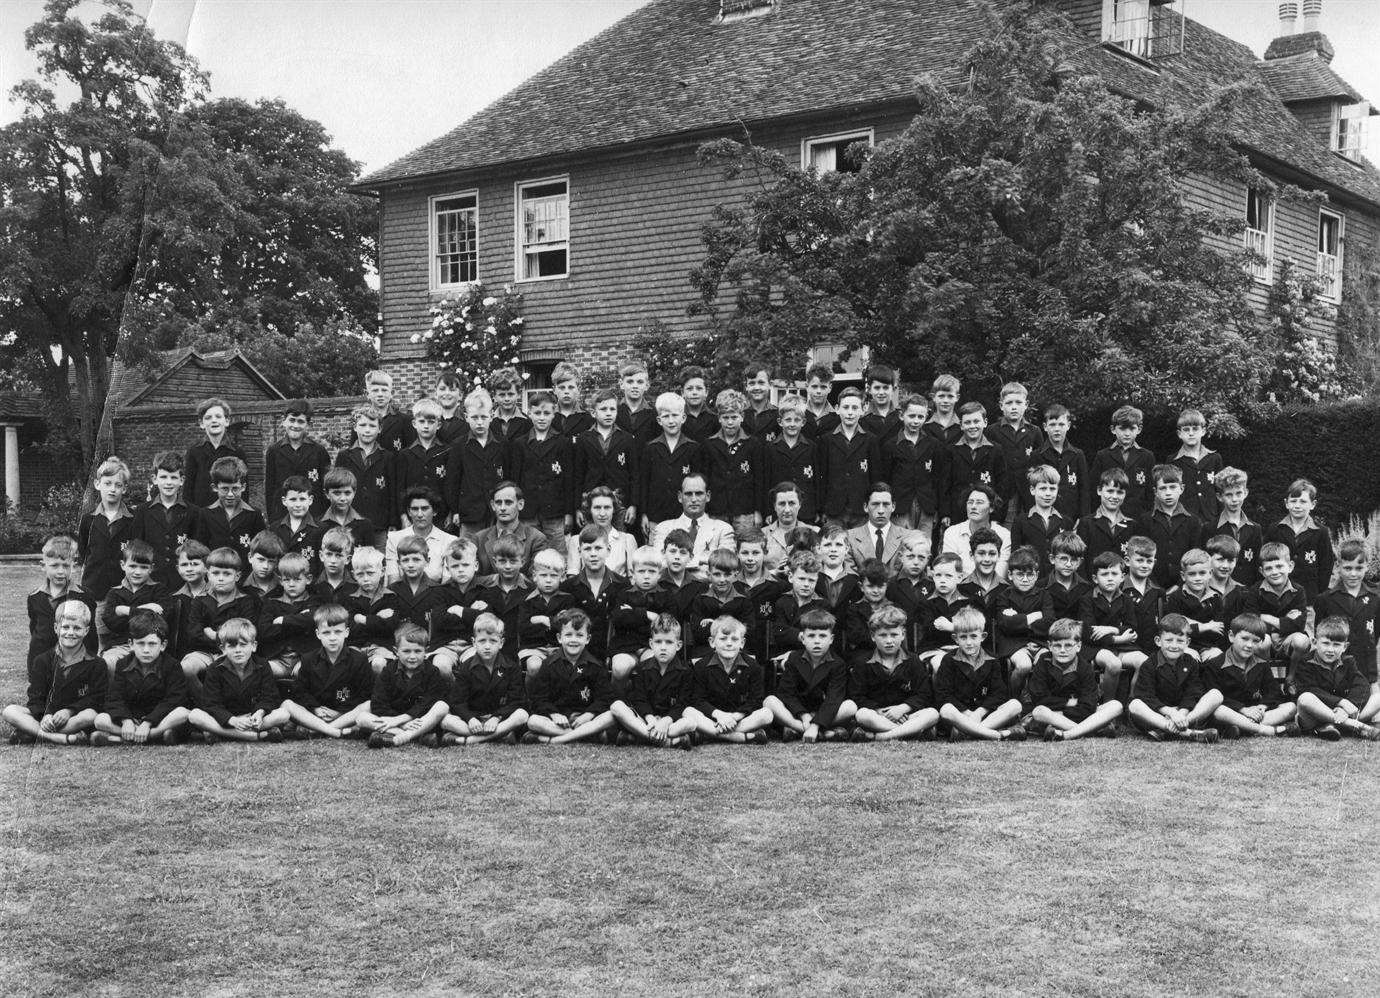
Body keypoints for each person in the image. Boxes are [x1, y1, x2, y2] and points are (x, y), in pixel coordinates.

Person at [4, 599, 105, 745]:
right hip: (46, 717)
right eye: (65, 627)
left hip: (74, 718)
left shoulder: (96, 663)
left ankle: (33, 733)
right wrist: (46, 715)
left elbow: (96, 699)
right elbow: (36, 698)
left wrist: (69, 711)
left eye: (77, 628)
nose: (70, 633)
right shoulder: (42, 660)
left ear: (86, 631)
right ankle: (57, 738)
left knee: (90, 715)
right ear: (56, 628)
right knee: (10, 711)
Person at [186, 618, 291, 743]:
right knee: (195, 715)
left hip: (251, 717)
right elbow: (211, 704)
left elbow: (270, 696)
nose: (238, 650)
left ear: (254, 646)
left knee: (283, 714)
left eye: (243, 644)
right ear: (223, 648)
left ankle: (222, 734)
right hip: (226, 719)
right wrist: (232, 720)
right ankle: (251, 736)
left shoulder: (263, 665)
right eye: (232, 645)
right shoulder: (214, 669)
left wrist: (260, 713)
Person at [92, 611, 190, 746]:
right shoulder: (122, 664)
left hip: (159, 720)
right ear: (131, 644)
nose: (145, 650)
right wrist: (126, 721)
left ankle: (134, 737)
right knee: (100, 719)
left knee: (183, 713)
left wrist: (148, 722)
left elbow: (174, 699)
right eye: (140, 643)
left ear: (163, 645)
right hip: (132, 719)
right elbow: (114, 698)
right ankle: (149, 737)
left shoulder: (172, 666)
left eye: (152, 644)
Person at [280, 603, 374, 739]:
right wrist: (315, 708)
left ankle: (322, 730)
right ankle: (334, 730)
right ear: (318, 634)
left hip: (345, 714)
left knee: (368, 705)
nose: (332, 638)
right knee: (287, 704)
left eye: (338, 632)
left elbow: (365, 693)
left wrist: (340, 713)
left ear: (346, 632)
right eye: (326, 632)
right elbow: (301, 691)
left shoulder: (358, 659)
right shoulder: (308, 659)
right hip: (316, 714)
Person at [933, 607, 1026, 742]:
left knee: (1015, 705)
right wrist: (967, 713)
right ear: (955, 639)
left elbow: (999, 693)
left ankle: (967, 733)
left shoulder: (992, 660)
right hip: (959, 716)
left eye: (973, 636)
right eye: (963, 637)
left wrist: (979, 712)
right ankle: (997, 735)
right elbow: (943, 694)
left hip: (984, 715)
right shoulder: (949, 660)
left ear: (983, 636)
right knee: (946, 709)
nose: (969, 642)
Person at [1127, 613, 1223, 743]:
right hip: (1158, 713)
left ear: (1187, 643)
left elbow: (1193, 692)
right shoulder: (1149, 664)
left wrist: (1181, 714)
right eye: (1169, 640)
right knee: (1135, 705)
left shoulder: (1191, 662)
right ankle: (1191, 733)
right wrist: (1170, 713)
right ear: (1158, 641)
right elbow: (1146, 696)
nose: (1174, 645)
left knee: (1216, 695)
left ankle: (1167, 730)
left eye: (1180, 641)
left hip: (1183, 712)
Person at [848, 606, 940, 742]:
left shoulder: (913, 660)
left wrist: (903, 708)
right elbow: (856, 695)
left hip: (906, 715)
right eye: (883, 635)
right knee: (862, 715)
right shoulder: (863, 663)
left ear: (903, 634)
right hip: (878, 716)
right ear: (873, 637)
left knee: (933, 714)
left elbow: (924, 694)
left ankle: (883, 736)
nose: (889, 641)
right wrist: (878, 710)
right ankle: (910, 732)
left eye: (894, 635)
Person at [438, 612, 531, 746]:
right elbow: (457, 702)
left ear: (501, 643)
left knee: (522, 715)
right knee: (446, 720)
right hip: (473, 721)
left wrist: (496, 717)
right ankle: (500, 736)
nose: (487, 646)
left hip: (499, 719)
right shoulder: (466, 667)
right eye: (482, 641)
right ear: (474, 642)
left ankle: (467, 740)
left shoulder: (511, 667)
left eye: (493, 641)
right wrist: (470, 719)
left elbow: (516, 700)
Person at [526, 608, 616, 744]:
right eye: (568, 635)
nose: (573, 640)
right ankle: (587, 736)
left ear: (588, 639)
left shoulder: (595, 666)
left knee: (612, 716)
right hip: (557, 720)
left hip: (584, 719)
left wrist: (589, 714)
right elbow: (539, 698)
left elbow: (604, 698)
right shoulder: (549, 664)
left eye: (579, 635)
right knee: (533, 721)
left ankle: (554, 740)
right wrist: (553, 714)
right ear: (559, 638)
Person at [764, 608, 855, 742]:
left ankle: (804, 730)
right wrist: (804, 716)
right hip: (798, 713)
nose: (817, 641)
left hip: (824, 711)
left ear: (831, 639)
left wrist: (815, 723)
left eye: (822, 636)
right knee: (770, 701)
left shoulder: (838, 663)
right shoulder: (794, 659)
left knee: (850, 706)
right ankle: (817, 732)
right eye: (811, 636)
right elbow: (786, 693)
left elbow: (833, 699)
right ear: (802, 638)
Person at [1313, 538, 1380, 718]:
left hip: (1366, 667)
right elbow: (1319, 634)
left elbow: (1375, 635)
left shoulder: (1376, 596)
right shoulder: (1325, 599)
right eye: (1348, 568)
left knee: (1375, 700)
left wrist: (1373, 678)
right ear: (1338, 566)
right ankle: (1344, 717)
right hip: (1336, 667)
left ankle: (1353, 718)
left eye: (1359, 568)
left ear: (1367, 566)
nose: (1353, 574)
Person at [610, 612, 697, 748]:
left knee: (691, 722)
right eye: (658, 642)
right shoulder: (643, 668)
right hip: (647, 720)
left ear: (678, 645)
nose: (663, 647)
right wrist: (650, 718)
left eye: (669, 642)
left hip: (671, 721)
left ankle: (639, 737)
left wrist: (666, 721)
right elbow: (639, 699)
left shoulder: (685, 671)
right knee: (616, 707)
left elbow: (682, 703)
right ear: (651, 643)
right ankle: (668, 742)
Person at [1203, 613, 1297, 738]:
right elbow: (1214, 695)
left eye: (1256, 641)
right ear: (1231, 636)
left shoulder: (1261, 664)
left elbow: (1273, 692)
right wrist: (1243, 710)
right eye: (1245, 638)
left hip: (1255, 713)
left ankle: (1243, 728)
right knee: (1219, 710)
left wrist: (1262, 707)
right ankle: (1263, 729)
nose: (1249, 645)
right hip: (1231, 712)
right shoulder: (1214, 664)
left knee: (1290, 707)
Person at [357, 622, 450, 748]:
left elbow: (428, 702)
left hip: (421, 720)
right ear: (396, 651)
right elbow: (379, 704)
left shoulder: (432, 672)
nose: (412, 656)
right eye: (406, 651)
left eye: (417, 651)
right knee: (361, 718)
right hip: (397, 720)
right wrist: (402, 722)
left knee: (442, 706)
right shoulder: (388, 671)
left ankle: (400, 736)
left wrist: (402, 719)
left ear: (425, 651)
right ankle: (418, 736)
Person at [1028, 618, 1123, 741]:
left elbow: (1089, 705)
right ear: (1050, 646)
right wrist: (1069, 702)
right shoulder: (1043, 662)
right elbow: (1039, 698)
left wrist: (1064, 710)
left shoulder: (1084, 666)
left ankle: (1067, 734)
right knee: (1039, 711)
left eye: (1068, 645)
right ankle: (1090, 730)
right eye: (1057, 645)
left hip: (1074, 714)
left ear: (1078, 646)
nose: (1062, 650)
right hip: (1053, 714)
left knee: (1116, 706)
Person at [180, 547, 260, 692]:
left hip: (233, 651)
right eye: (216, 573)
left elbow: (246, 633)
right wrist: (221, 638)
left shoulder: (245, 601)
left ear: (237, 576)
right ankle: (204, 701)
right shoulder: (200, 600)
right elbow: (193, 633)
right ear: (208, 574)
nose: (221, 578)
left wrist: (213, 634)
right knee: (186, 668)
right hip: (204, 652)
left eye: (227, 574)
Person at [682, 616, 773, 744]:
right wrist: (720, 715)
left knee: (767, 714)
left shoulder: (753, 666)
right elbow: (698, 700)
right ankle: (742, 737)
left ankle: (708, 735)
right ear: (712, 642)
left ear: (742, 643)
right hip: (713, 717)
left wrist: (735, 717)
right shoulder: (701, 666)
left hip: (739, 719)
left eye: (734, 639)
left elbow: (756, 700)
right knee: (688, 712)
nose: (729, 643)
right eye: (723, 638)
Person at [508, 390, 576, 550]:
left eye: (546, 413)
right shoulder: (520, 444)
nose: (542, 417)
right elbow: (515, 481)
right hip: (528, 512)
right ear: (529, 414)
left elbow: (569, 480)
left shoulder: (562, 442)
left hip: (554, 512)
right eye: (537, 413)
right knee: (527, 551)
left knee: (557, 553)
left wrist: (568, 512)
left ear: (554, 414)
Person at [1294, 616, 1380, 741]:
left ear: (1345, 647)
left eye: (1336, 645)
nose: (1330, 650)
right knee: (1305, 698)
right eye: (1326, 643)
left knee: (1377, 697)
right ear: (1314, 642)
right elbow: (1309, 689)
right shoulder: (1306, 662)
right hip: (1316, 716)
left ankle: (1333, 726)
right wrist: (1340, 702)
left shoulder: (1348, 661)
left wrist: (1346, 706)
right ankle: (1356, 726)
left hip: (1342, 712)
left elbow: (1362, 685)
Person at [1078, 552, 1146, 703]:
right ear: (1095, 578)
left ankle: (1131, 704)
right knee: (1114, 664)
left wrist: (1112, 629)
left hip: (1121, 646)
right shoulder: (1087, 599)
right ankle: (1108, 703)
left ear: (1122, 577)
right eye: (1104, 574)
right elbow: (1090, 633)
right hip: (1094, 648)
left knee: (1144, 662)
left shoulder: (1126, 599)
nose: (1110, 578)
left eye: (1114, 573)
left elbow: (1132, 627)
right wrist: (1118, 639)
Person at [636, 391, 703, 538]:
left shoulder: (693, 448)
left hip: (685, 515)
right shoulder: (650, 448)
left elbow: (699, 485)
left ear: (683, 418)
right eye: (666, 416)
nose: (671, 421)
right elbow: (643, 483)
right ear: (659, 420)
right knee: (657, 555)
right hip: (656, 515)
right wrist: (644, 514)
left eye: (675, 415)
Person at [445, 387, 508, 537]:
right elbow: (452, 481)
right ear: (466, 417)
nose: (479, 422)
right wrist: (455, 510)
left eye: (483, 417)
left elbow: (508, 477)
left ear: (491, 416)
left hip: (497, 511)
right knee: (469, 551)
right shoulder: (459, 445)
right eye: (474, 418)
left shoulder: (502, 443)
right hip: (469, 512)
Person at [702, 388, 766, 537]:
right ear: (719, 418)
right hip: (716, 511)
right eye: (725, 417)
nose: (730, 422)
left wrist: (758, 511)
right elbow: (705, 479)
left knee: (745, 546)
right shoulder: (709, 444)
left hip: (745, 512)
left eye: (734, 417)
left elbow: (759, 480)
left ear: (742, 417)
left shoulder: (753, 444)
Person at [648, 474, 735, 580]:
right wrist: (703, 559)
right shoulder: (663, 528)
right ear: (680, 497)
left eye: (699, 493)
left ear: (708, 496)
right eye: (688, 494)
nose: (694, 499)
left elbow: (725, 565)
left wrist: (679, 564)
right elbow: (659, 565)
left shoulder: (723, 529)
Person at [27, 535, 98, 665]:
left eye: (65, 566)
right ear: (43, 566)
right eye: (54, 566)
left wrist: (90, 663)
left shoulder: (85, 596)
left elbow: (91, 634)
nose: (60, 571)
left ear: (74, 566)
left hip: (74, 662)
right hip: (40, 662)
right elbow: (34, 629)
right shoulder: (34, 597)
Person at [1133, 465, 1205, 590]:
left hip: (1184, 585)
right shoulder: (1146, 521)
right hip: (1152, 585)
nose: (1168, 493)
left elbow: (1195, 557)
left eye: (1172, 487)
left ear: (1181, 488)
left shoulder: (1193, 521)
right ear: (1155, 492)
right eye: (1163, 488)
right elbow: (1141, 555)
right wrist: (1153, 585)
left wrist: (1180, 585)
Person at [132, 450, 197, 590]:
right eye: (163, 477)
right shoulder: (142, 512)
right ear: (154, 479)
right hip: (151, 583)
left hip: (183, 584)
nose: (168, 482)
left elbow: (197, 551)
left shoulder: (194, 512)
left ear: (182, 480)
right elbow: (137, 548)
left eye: (173, 478)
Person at [882, 393, 943, 539]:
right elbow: (885, 479)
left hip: (926, 506)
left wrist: (937, 508)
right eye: (912, 416)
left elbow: (938, 479)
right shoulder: (890, 445)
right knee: (900, 545)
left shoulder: (933, 445)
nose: (916, 421)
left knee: (923, 545)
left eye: (920, 417)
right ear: (902, 415)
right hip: (900, 506)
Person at [819, 387, 881, 531]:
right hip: (834, 509)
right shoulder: (826, 440)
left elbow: (875, 477)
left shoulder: (871, 440)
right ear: (837, 409)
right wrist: (822, 508)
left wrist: (873, 505)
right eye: (846, 407)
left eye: (855, 407)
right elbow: (822, 477)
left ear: (863, 410)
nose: (850, 412)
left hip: (861, 509)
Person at [574, 388, 638, 527]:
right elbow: (578, 475)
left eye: (612, 409)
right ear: (593, 412)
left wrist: (633, 505)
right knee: (592, 540)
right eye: (603, 409)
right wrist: (577, 508)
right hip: (590, 502)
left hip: (619, 501)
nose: (608, 413)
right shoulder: (583, 439)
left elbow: (634, 474)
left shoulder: (627, 439)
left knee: (618, 540)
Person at [608, 546, 672, 683]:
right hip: (624, 645)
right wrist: (647, 615)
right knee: (620, 668)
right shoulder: (623, 593)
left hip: (652, 645)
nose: (646, 576)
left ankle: (644, 701)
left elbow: (666, 624)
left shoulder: (666, 596)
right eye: (641, 571)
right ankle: (615, 700)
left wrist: (632, 613)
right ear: (633, 572)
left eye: (652, 571)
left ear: (660, 574)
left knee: (655, 666)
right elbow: (618, 619)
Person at [99, 539, 168, 667]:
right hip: (121, 645)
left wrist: (124, 610)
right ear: (122, 565)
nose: (137, 572)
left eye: (143, 567)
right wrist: (145, 609)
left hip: (150, 645)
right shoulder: (114, 593)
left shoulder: (158, 590)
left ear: (151, 568)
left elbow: (159, 621)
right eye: (132, 566)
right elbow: (112, 623)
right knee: (109, 662)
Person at [335, 403, 395, 548]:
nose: (367, 430)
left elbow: (393, 491)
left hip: (379, 523)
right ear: (355, 427)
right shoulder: (344, 456)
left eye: (372, 426)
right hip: (349, 523)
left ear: (380, 429)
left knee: (378, 564)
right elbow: (336, 488)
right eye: (362, 425)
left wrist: (393, 522)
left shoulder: (388, 457)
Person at [1261, 478, 1333, 599]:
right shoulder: (1275, 529)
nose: (1297, 506)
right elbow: (1264, 559)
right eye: (1293, 501)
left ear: (1313, 504)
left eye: (1303, 501)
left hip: (1309, 595)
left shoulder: (1321, 532)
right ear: (1286, 503)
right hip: (1278, 594)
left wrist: (1320, 595)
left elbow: (1326, 565)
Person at [989, 546, 1046, 696]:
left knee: (1046, 662)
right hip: (1013, 643)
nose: (1025, 579)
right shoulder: (1004, 596)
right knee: (1024, 665)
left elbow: (1049, 624)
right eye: (1020, 574)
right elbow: (1005, 624)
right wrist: (1032, 617)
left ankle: (1037, 702)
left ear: (1037, 575)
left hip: (1040, 642)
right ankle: (1012, 699)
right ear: (1010, 575)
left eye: (1030, 575)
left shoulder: (1044, 595)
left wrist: (1018, 620)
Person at [257, 552, 319, 687]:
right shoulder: (271, 603)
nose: (291, 584)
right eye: (287, 580)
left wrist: (283, 620)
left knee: (307, 671)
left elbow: (314, 619)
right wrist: (299, 623)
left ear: (308, 579)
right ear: (280, 580)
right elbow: (264, 631)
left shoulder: (314, 601)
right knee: (260, 671)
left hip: (304, 658)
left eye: (297, 579)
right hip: (278, 659)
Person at [78, 456, 135, 602]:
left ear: (125, 488)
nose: (112, 489)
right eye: (108, 484)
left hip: (125, 592)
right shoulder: (88, 520)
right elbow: (84, 553)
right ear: (97, 484)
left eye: (118, 485)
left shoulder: (133, 520)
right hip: (94, 591)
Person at [192, 456, 266, 567]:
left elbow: (260, 549)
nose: (230, 494)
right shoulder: (205, 514)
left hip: (244, 575)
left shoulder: (254, 514)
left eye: (235, 488)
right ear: (215, 487)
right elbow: (201, 549)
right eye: (225, 489)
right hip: (216, 575)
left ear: (243, 487)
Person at [264, 399, 331, 516]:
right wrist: (272, 519)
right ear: (284, 421)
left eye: (300, 421)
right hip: (283, 514)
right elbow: (270, 489)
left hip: (313, 514)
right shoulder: (274, 451)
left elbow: (325, 488)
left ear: (308, 425)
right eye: (292, 420)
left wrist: (323, 518)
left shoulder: (319, 451)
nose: (295, 425)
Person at [944, 401, 1008, 524]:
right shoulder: (951, 450)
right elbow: (945, 484)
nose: (972, 426)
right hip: (958, 513)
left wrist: (997, 516)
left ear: (985, 423)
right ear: (961, 425)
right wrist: (945, 513)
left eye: (976, 421)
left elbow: (1002, 486)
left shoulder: (996, 450)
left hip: (987, 515)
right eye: (967, 422)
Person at [988, 382, 1043, 521]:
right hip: (1003, 490)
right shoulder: (992, 431)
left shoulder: (1034, 432)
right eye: (1009, 403)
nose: (1014, 407)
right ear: (1001, 405)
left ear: (1026, 404)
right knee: (1004, 527)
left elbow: (1040, 465)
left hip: (1027, 490)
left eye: (1018, 402)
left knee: (1029, 525)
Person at [516, 548, 576, 678]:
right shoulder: (527, 601)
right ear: (535, 576)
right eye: (543, 575)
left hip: (559, 647)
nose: (548, 580)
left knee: (562, 666)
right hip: (533, 648)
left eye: (553, 575)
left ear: (562, 577)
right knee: (534, 666)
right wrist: (555, 621)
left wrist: (542, 620)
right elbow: (523, 629)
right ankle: (532, 697)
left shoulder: (568, 599)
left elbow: (568, 627)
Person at [1090, 405, 1155, 519]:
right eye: (1122, 428)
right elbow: (1093, 490)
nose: (1127, 433)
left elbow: (1150, 493)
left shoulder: (1147, 456)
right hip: (1108, 517)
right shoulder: (1103, 456)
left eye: (1131, 429)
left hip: (1138, 518)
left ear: (1139, 429)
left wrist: (1147, 517)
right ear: (1113, 429)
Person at [396, 397, 452, 526]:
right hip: (413, 515)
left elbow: (451, 485)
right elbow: (400, 488)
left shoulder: (447, 451)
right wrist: (403, 515)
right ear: (414, 424)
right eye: (422, 421)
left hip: (440, 515)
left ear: (438, 425)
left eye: (431, 422)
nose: (426, 426)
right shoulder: (405, 454)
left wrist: (450, 512)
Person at [473, 482, 549, 574]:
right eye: (498, 502)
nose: (502, 508)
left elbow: (535, 578)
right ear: (493, 505)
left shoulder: (536, 539)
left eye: (508, 502)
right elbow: (474, 579)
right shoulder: (479, 539)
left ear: (520, 504)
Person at [385, 486, 457, 583]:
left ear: (434, 511)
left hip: (437, 595)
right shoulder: (394, 539)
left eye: (424, 508)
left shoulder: (449, 541)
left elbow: (446, 584)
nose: (419, 514)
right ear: (409, 512)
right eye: (415, 509)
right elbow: (393, 581)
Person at [765, 396, 819, 526]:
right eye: (788, 420)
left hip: (806, 510)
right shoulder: (770, 448)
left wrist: (818, 509)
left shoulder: (812, 447)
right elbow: (766, 481)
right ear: (780, 421)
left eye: (797, 420)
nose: (792, 424)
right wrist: (767, 510)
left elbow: (817, 481)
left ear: (803, 422)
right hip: (779, 510)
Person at [184, 397, 247, 508]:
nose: (214, 420)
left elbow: (244, 490)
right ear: (202, 423)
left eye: (218, 416)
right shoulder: (194, 451)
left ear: (227, 421)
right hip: (201, 512)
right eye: (208, 418)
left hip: (228, 512)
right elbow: (188, 488)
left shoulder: (237, 452)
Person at [940, 485, 1011, 579]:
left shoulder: (1004, 535)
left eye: (979, 503)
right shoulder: (952, 532)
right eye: (970, 502)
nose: (973, 507)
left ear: (991, 508)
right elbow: (949, 570)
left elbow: (1000, 573)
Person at [345, 547, 398, 673]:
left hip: (381, 646)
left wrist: (363, 619)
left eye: (370, 573)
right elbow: (351, 629)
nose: (366, 578)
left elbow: (390, 626)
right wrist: (377, 619)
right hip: (356, 646)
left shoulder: (389, 597)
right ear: (353, 575)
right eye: (360, 574)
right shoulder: (350, 599)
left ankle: (379, 693)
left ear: (382, 571)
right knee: (349, 664)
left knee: (378, 664)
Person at [1034, 404, 1090, 521]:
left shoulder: (1077, 455)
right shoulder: (1037, 455)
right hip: (1045, 518)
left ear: (1068, 426)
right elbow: (1032, 489)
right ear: (1045, 427)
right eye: (1052, 425)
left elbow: (1084, 490)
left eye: (1061, 424)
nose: (1057, 429)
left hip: (1072, 518)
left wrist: (1083, 519)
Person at [1010, 465, 1070, 575]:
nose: (1048, 493)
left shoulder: (1065, 521)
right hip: (1031, 579)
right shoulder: (1021, 521)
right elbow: (1015, 555)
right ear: (1032, 490)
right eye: (1043, 488)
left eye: (1052, 489)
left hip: (1057, 580)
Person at [843, 483, 913, 575]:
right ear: (865, 507)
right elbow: (850, 575)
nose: (881, 511)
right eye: (875, 504)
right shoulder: (850, 537)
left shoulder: (907, 537)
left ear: (893, 507)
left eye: (886, 504)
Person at [567, 487, 637, 577]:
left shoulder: (627, 540)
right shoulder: (576, 540)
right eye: (597, 508)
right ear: (590, 510)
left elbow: (633, 579)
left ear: (614, 509)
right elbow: (572, 580)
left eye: (607, 507)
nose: (602, 513)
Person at [1169, 409, 1223, 523]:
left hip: (1211, 518)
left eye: (1195, 429)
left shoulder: (1214, 458)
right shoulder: (1173, 461)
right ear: (1179, 434)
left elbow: (1220, 489)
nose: (1191, 433)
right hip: (1184, 518)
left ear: (1203, 431)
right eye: (1186, 429)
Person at [1212, 467, 1262, 585]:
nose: (1234, 499)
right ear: (1219, 497)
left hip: (1248, 592)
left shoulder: (1255, 529)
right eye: (1229, 495)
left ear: (1246, 493)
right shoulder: (1210, 528)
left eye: (1238, 493)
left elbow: (1258, 565)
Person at [1075, 468, 1133, 565]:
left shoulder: (1132, 525)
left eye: (1120, 492)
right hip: (1092, 579)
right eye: (1110, 491)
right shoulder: (1086, 523)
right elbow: (1080, 561)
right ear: (1099, 490)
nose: (1114, 496)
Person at [270, 475, 324, 577]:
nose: (298, 504)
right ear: (284, 501)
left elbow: (321, 565)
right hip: (283, 584)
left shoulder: (320, 529)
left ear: (310, 500)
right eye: (293, 499)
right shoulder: (275, 528)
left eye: (302, 499)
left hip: (309, 584)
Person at [763, 481, 818, 573]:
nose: (787, 509)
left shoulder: (813, 532)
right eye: (781, 504)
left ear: (799, 505)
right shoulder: (762, 535)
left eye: (792, 503)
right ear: (774, 506)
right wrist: (774, 572)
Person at [318, 468, 375, 553]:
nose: (343, 498)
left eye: (347, 493)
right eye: (337, 493)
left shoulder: (365, 525)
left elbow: (369, 559)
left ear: (354, 493)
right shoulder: (318, 525)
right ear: (326, 494)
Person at [362, 369, 416, 453]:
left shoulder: (405, 421)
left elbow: (411, 455)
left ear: (392, 393)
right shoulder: (361, 421)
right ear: (367, 394)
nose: (380, 394)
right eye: (375, 390)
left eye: (384, 390)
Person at [615, 360, 657, 443]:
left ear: (647, 385)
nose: (635, 386)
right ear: (621, 384)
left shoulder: (655, 414)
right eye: (630, 382)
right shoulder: (613, 412)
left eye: (640, 382)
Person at [487, 366, 532, 441]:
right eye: (502, 395)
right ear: (494, 396)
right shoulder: (487, 422)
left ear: (518, 394)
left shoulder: (528, 423)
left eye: (511, 394)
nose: (507, 399)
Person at [741, 360, 779, 442]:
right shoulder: (739, 413)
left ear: (770, 384)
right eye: (752, 383)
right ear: (746, 386)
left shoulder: (778, 415)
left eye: (761, 383)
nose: (757, 387)